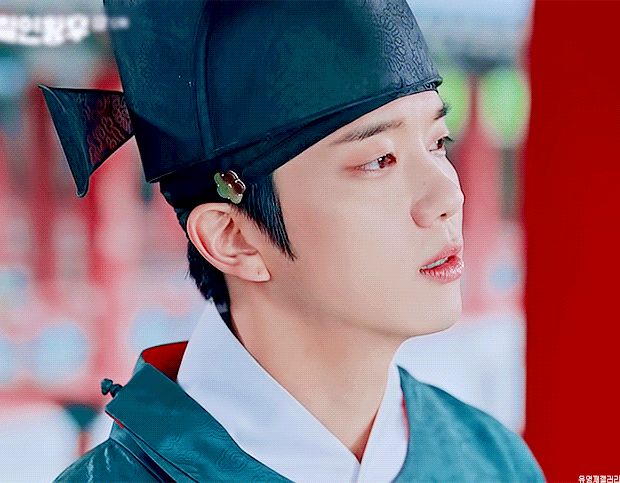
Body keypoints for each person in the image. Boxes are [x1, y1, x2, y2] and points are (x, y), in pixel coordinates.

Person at [43, 0, 545, 481]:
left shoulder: (493, 461)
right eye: (378, 161)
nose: (449, 195)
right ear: (234, 238)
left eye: (438, 142)